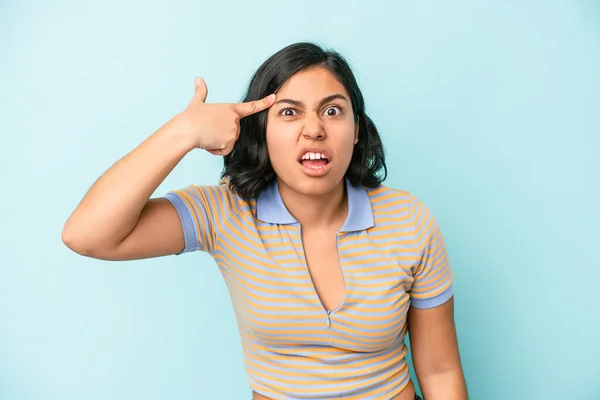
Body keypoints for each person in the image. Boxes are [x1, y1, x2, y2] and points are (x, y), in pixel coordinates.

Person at [62, 42, 468, 400]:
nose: (314, 129)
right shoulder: (223, 213)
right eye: (290, 112)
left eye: (332, 110)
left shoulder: (409, 219)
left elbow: (439, 370)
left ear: (357, 130)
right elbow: (87, 235)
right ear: (262, 131)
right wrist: (181, 132)